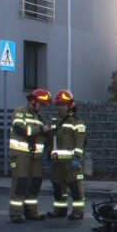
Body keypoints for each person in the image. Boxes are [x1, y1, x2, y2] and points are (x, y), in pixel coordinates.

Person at [8, 88, 52, 222]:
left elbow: (44, 135)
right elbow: (20, 129)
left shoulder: (39, 117)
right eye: (41, 104)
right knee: (20, 182)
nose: (42, 108)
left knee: (35, 183)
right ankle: (16, 213)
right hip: (21, 154)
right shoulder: (20, 112)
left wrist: (49, 133)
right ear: (33, 101)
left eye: (44, 105)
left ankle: (31, 212)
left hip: (35, 156)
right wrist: (40, 129)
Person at [46, 89, 87, 220]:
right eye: (59, 104)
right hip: (57, 162)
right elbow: (52, 140)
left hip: (70, 162)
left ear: (69, 105)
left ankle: (78, 211)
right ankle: (60, 210)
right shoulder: (55, 121)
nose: (60, 107)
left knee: (75, 187)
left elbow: (80, 141)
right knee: (58, 187)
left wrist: (77, 158)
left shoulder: (76, 121)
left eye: (63, 105)